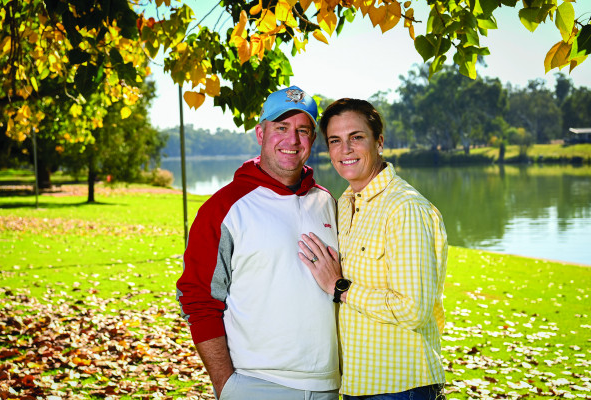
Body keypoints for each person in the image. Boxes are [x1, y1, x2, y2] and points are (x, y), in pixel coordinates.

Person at [176, 86, 341, 400]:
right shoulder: (223, 208)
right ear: (260, 133)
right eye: (281, 128)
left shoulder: (327, 202)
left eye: (303, 130)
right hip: (256, 383)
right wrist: (225, 383)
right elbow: (197, 298)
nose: (292, 140)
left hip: (327, 384)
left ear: (312, 139)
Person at [298, 98, 448, 400]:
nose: (345, 150)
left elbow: (413, 310)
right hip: (359, 383)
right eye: (335, 141)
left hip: (402, 386)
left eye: (356, 137)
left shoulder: (404, 207)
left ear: (379, 142)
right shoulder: (344, 203)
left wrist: (339, 287)